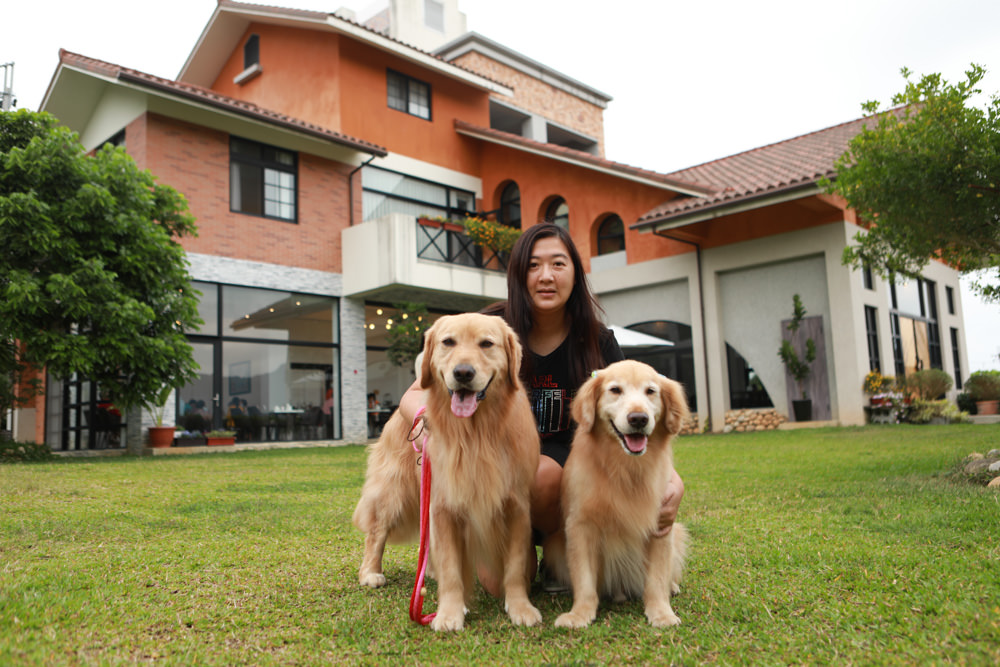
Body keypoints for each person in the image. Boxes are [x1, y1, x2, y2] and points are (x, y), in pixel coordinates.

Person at [398, 223, 685, 590]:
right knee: (497, 585)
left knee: (545, 475)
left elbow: (636, 407)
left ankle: (560, 549)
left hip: (575, 468)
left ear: (575, 274)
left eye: (558, 264)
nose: (545, 276)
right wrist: (425, 423)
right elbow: (413, 393)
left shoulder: (597, 340)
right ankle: (526, 553)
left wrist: (673, 480)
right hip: (497, 469)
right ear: (519, 274)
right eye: (533, 265)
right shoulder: (491, 326)